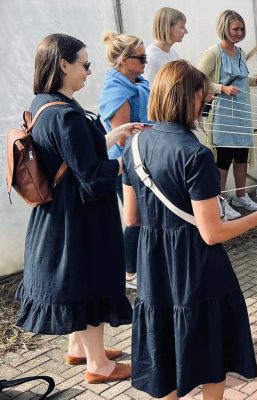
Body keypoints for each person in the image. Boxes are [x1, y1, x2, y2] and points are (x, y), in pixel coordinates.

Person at [122, 60, 257, 399]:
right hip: (195, 263)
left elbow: (131, 218)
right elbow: (212, 233)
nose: (207, 101)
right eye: (203, 95)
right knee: (211, 347)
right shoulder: (196, 155)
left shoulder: (133, 146)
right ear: (187, 98)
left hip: (154, 263)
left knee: (162, 342)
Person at [16, 34, 142, 384]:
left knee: (77, 281)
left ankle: (79, 347)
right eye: (85, 64)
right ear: (63, 64)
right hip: (80, 216)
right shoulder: (66, 115)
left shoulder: (44, 104)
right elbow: (92, 175)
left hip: (62, 212)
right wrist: (127, 161)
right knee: (89, 282)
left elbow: (72, 157)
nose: (89, 71)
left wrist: (114, 136)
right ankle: (99, 366)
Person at [198, 9, 257, 220]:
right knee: (224, 159)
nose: (239, 33)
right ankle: (220, 202)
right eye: (235, 29)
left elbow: (241, 79)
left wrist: (255, 81)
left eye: (242, 29)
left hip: (242, 113)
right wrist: (221, 88)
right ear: (224, 28)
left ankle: (240, 196)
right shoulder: (213, 53)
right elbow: (197, 78)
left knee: (241, 156)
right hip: (224, 115)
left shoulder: (240, 52)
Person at [98, 32, 153, 289]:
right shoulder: (118, 91)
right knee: (134, 218)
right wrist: (156, 132)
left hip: (142, 158)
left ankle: (142, 265)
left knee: (144, 216)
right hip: (126, 165)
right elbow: (122, 140)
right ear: (123, 60)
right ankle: (130, 272)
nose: (145, 62)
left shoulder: (137, 82)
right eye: (141, 58)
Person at [143, 7, 187, 83]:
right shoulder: (151, 58)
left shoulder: (173, 53)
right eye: (182, 27)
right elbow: (148, 89)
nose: (186, 32)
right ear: (167, 27)